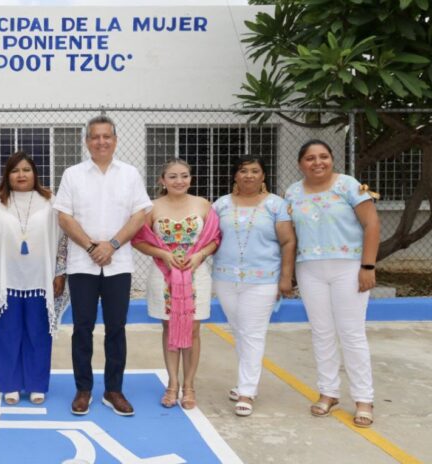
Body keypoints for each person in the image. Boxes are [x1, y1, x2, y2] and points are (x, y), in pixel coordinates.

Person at [54, 115, 152, 417]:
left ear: (115, 140)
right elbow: (64, 217)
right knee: (82, 328)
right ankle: (83, 389)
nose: (101, 142)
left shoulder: (130, 174)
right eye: (95, 137)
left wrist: (113, 245)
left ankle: (113, 390)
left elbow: (140, 215)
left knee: (116, 328)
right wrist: (91, 246)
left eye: (106, 136)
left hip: (118, 263)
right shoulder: (72, 174)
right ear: (87, 142)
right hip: (83, 265)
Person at [285, 140, 380, 428]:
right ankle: (328, 392)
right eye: (310, 158)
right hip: (309, 269)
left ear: (332, 159)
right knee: (322, 333)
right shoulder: (292, 192)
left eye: (323, 157)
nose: (318, 163)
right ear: (301, 163)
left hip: (349, 268)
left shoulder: (348, 186)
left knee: (351, 333)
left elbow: (372, 225)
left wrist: (367, 266)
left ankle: (364, 398)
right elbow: (289, 235)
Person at [0, 152, 68, 405]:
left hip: (40, 279)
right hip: (4, 279)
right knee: (6, 333)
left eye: (26, 170)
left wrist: (59, 273)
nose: (21, 175)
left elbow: (62, 240)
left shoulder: (50, 202)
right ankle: (9, 384)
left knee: (38, 332)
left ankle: (36, 385)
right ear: (7, 175)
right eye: (15, 171)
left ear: (35, 173)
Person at [131, 160, 220, 410]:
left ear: (190, 178)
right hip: (163, 275)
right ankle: (172, 384)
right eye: (172, 176)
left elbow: (214, 238)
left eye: (184, 176)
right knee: (170, 329)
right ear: (162, 180)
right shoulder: (151, 207)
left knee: (193, 330)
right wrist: (163, 255)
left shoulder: (203, 204)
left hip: (196, 275)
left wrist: (199, 256)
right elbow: (138, 240)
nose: (179, 181)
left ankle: (189, 385)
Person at [212, 156, 296, 417]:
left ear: (263, 176)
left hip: (263, 280)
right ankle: (245, 382)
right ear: (235, 176)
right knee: (239, 331)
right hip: (225, 278)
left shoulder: (276, 205)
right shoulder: (221, 205)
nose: (248, 175)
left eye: (255, 171)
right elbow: (210, 238)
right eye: (243, 171)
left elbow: (288, 242)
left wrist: (286, 277)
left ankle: (247, 390)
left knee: (253, 332)